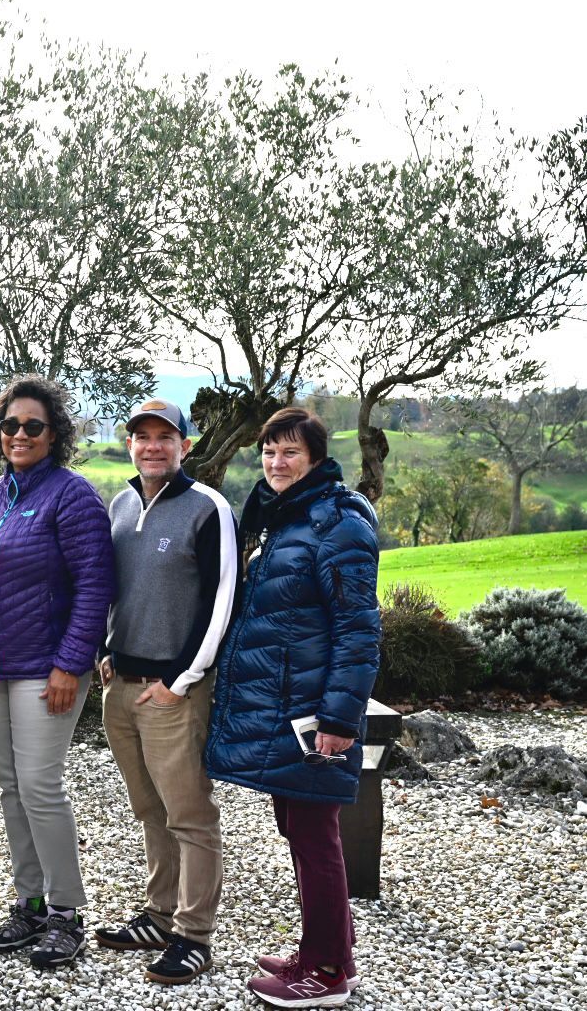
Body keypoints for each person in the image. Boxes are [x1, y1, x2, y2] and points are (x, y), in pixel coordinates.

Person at [205, 408, 379, 1008]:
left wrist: (340, 719)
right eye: (270, 452)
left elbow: (358, 629)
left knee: (315, 834)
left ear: (316, 459)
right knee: (301, 829)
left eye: (290, 453)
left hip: (312, 711)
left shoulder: (337, 523)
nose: (277, 464)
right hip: (289, 704)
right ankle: (330, 954)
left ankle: (325, 972)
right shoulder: (286, 516)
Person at [0, 375, 115, 969]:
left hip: (46, 669)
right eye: (10, 425)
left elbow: (95, 586)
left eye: (33, 426)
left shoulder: (72, 496)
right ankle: (30, 903)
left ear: (54, 434)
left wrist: (71, 663)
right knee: (10, 787)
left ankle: (67, 913)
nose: (19, 434)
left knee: (41, 787)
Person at [93, 398, 236, 985]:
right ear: (129, 443)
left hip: (173, 691)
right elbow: (113, 588)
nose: (152, 447)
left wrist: (180, 682)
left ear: (185, 445)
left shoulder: (209, 507)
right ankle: (159, 915)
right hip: (122, 687)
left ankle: (193, 935)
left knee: (189, 815)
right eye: (142, 437)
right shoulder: (122, 505)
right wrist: (104, 650)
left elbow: (221, 601)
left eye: (165, 437)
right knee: (150, 809)